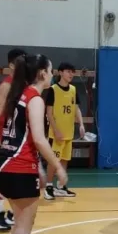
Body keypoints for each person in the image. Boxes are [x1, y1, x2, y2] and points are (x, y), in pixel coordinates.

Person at [0, 54, 67, 234]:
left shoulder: (19, 95)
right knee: (24, 224)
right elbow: (39, 139)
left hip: (5, 165)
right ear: (42, 73)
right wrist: (57, 166)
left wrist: (39, 168)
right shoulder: (34, 99)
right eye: (51, 70)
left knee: (21, 222)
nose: (52, 75)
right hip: (18, 168)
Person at [0, 48, 26, 231]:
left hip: (17, 135)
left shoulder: (24, 84)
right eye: (20, 61)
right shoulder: (6, 86)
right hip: (5, 136)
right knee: (5, 176)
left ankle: (10, 213)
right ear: (11, 65)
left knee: (16, 176)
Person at [43, 62, 84, 200]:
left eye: (72, 72)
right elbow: (49, 113)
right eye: (68, 71)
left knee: (65, 160)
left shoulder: (73, 89)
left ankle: (60, 187)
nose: (71, 74)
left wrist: (81, 124)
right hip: (56, 134)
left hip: (68, 133)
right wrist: (56, 131)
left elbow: (76, 109)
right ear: (60, 72)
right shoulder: (53, 89)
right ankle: (48, 187)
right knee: (53, 161)